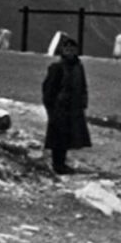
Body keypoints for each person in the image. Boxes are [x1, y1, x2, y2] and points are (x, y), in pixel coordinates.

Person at [41, 36, 91, 175]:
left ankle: (61, 163)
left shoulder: (78, 67)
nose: (69, 52)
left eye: (72, 49)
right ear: (62, 50)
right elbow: (48, 89)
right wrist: (51, 108)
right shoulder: (57, 67)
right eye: (67, 49)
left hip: (73, 108)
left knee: (68, 137)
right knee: (58, 137)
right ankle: (57, 165)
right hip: (60, 108)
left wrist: (83, 101)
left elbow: (83, 86)